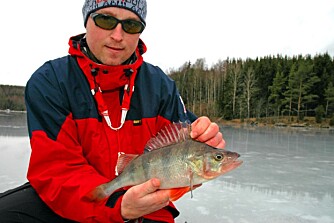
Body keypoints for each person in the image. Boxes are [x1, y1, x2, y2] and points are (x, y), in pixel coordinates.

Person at [0, 0, 225, 222]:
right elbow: (56, 169)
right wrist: (117, 206)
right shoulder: (51, 81)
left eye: (131, 25)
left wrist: (206, 136)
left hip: (145, 204)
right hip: (70, 201)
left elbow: (184, 148)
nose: (118, 35)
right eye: (106, 20)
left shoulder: (161, 86)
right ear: (86, 20)